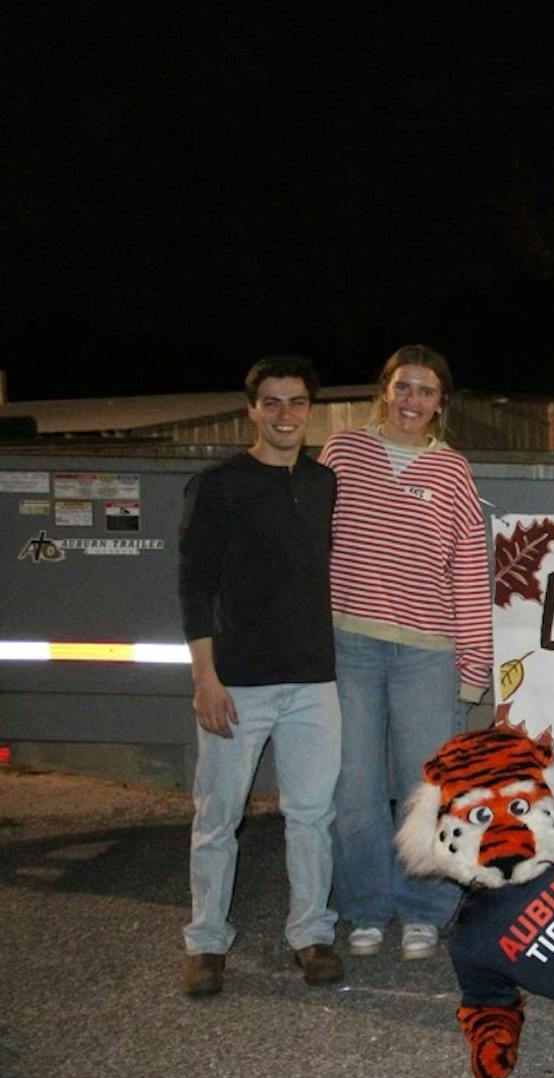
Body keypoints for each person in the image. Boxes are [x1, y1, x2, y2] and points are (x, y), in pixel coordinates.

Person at [320, 344, 492, 961]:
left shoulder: (452, 472)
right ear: (383, 391)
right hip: (349, 649)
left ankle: (423, 910)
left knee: (424, 791)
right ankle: (365, 906)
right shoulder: (341, 452)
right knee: (354, 789)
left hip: (427, 654)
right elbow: (311, 547)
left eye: (425, 390)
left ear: (441, 402)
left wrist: (472, 668)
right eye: (403, 387)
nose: (412, 400)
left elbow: (470, 571)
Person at [177, 355, 342, 995]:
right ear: (251, 409)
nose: (284, 415)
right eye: (271, 402)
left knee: (311, 815)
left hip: (311, 680)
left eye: (295, 402)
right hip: (237, 682)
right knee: (217, 817)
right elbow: (194, 586)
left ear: (309, 410)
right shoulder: (216, 486)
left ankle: (311, 935)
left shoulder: (323, 482)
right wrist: (205, 679)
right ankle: (206, 943)